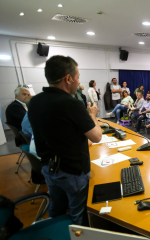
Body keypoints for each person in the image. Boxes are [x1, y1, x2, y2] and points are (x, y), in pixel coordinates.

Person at [28, 55, 102, 225]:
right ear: (68, 78)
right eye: (77, 78)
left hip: (49, 168)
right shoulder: (71, 104)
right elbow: (97, 136)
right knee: (78, 214)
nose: (78, 82)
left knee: (56, 208)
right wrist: (93, 116)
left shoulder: (35, 102)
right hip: (73, 172)